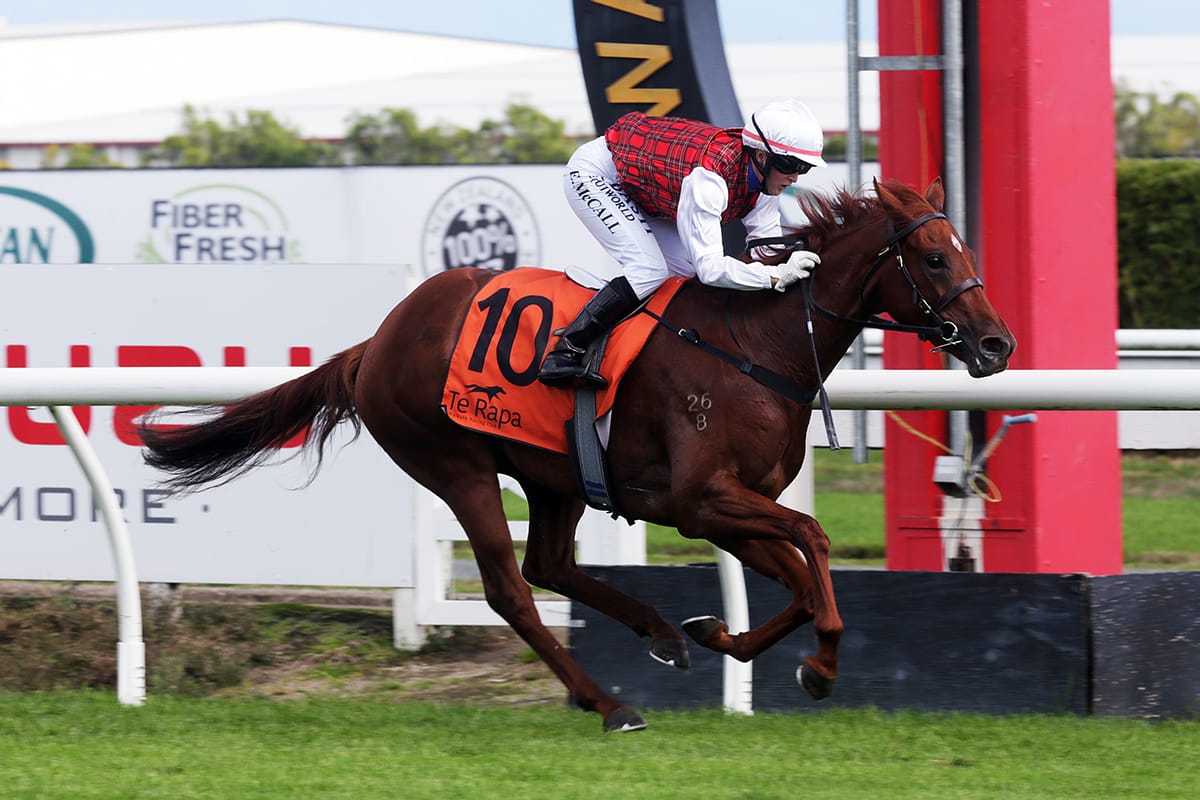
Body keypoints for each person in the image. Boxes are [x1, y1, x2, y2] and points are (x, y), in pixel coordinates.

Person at [538, 97, 828, 388]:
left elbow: (767, 251)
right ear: (762, 157)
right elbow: (712, 270)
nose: (794, 177)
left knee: (686, 281)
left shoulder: (765, 185)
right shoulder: (710, 179)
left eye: (804, 169)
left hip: (647, 189)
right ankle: (566, 351)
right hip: (599, 174)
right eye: (791, 165)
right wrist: (775, 275)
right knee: (648, 271)